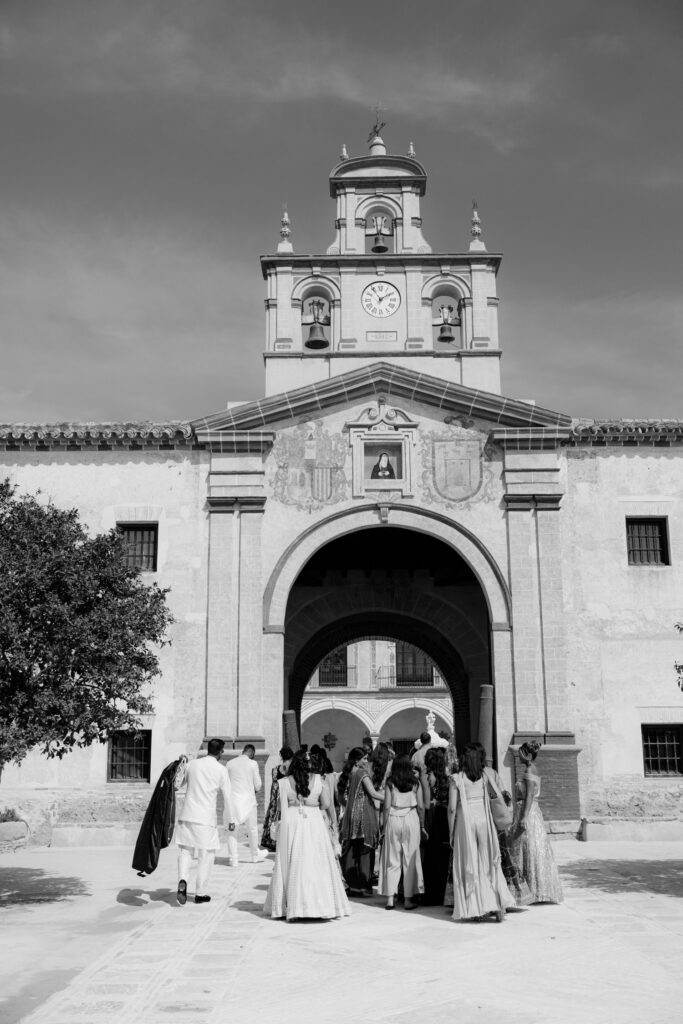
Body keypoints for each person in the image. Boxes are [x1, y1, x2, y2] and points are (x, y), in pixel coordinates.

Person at [264, 750, 350, 921]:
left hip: (292, 821)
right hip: (313, 820)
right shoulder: (319, 780)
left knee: (291, 862)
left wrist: (295, 802)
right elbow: (326, 803)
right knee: (316, 861)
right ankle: (318, 905)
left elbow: (280, 808)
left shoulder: (284, 782)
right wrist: (313, 803)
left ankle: (291, 907)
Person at [448, 742, 514, 923]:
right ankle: (499, 906)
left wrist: (451, 832)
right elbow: (497, 797)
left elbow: (452, 809)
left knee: (471, 863)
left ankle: (477, 908)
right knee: (489, 862)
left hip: (466, 822)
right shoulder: (486, 776)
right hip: (484, 820)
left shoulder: (456, 778)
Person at [175, 738, 235, 905]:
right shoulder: (221, 770)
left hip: (187, 815)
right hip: (205, 819)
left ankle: (182, 879)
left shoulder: (192, 764)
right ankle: (200, 892)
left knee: (185, 851)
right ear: (221, 751)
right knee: (206, 855)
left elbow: (177, 784)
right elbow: (228, 796)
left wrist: (181, 764)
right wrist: (231, 819)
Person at [509, 740, 563, 904]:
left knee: (527, 847)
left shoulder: (529, 770)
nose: (518, 755)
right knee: (529, 848)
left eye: (521, 752)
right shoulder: (530, 769)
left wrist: (524, 817)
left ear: (528, 755)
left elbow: (530, 795)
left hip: (528, 813)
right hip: (529, 811)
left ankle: (532, 890)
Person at [378, 755, 425, 910]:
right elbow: (421, 807)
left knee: (393, 859)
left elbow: (386, 807)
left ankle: (390, 900)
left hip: (393, 817)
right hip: (411, 817)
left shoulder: (390, 782)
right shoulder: (415, 782)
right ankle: (407, 900)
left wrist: (384, 827)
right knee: (409, 860)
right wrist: (422, 825)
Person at [338, 746, 385, 896]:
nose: (366, 761)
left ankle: (353, 886)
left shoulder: (346, 774)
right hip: (364, 816)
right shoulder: (361, 773)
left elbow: (340, 798)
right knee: (365, 851)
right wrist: (392, 799)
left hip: (349, 816)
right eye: (364, 758)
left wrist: (350, 806)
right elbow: (373, 793)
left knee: (351, 850)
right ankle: (363, 886)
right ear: (356, 760)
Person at [226, 744, 267, 865]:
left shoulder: (230, 763)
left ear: (243, 751)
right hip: (249, 802)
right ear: (252, 753)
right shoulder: (253, 763)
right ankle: (255, 855)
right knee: (252, 829)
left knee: (232, 830)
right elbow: (258, 785)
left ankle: (233, 859)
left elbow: (226, 783)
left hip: (233, 802)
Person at [421, 747, 451, 906]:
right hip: (444, 815)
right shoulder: (447, 777)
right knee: (443, 854)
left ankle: (431, 893)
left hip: (432, 815)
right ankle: (443, 893)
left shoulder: (427, 777)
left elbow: (426, 803)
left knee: (430, 854)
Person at [260, 745, 293, 853]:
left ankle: (271, 841)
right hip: (287, 796)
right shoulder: (292, 769)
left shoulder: (275, 770)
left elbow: (274, 786)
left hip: (275, 797)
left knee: (274, 817)